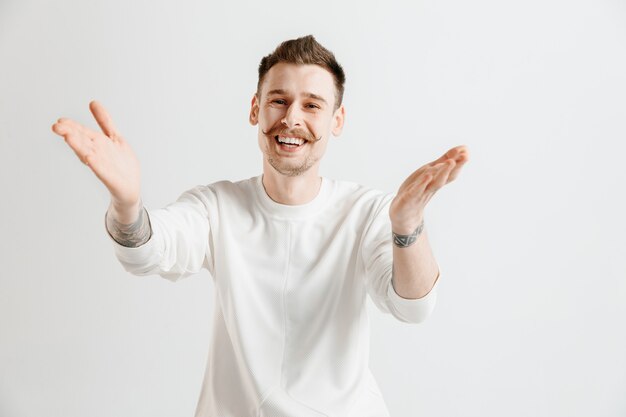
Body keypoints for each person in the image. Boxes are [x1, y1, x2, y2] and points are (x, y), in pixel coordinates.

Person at [51, 35, 469, 417]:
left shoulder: (367, 212)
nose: (291, 118)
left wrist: (408, 224)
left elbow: (413, 307)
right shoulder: (217, 207)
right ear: (256, 108)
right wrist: (127, 204)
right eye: (278, 100)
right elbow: (147, 251)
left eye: (312, 105)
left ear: (337, 121)